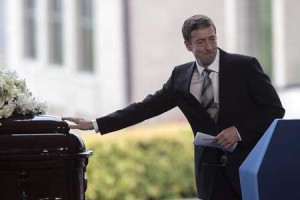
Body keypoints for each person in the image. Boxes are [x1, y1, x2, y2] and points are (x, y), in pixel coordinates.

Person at [63, 14, 285, 200]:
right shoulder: (180, 77)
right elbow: (144, 109)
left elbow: (275, 110)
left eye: (212, 39)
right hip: (209, 174)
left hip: (248, 168)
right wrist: (95, 123)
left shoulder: (245, 67)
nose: (209, 47)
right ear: (188, 46)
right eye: (200, 42)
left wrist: (238, 132)